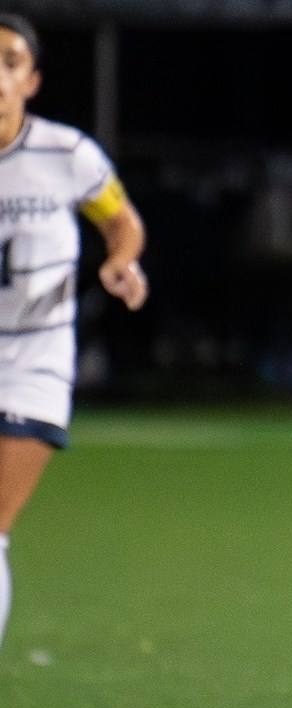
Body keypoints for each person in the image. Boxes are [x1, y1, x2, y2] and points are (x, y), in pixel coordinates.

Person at [0, 13, 148, 652]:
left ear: (31, 80)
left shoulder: (67, 153)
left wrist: (120, 262)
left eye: (9, 62)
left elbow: (121, 222)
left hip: (36, 355)